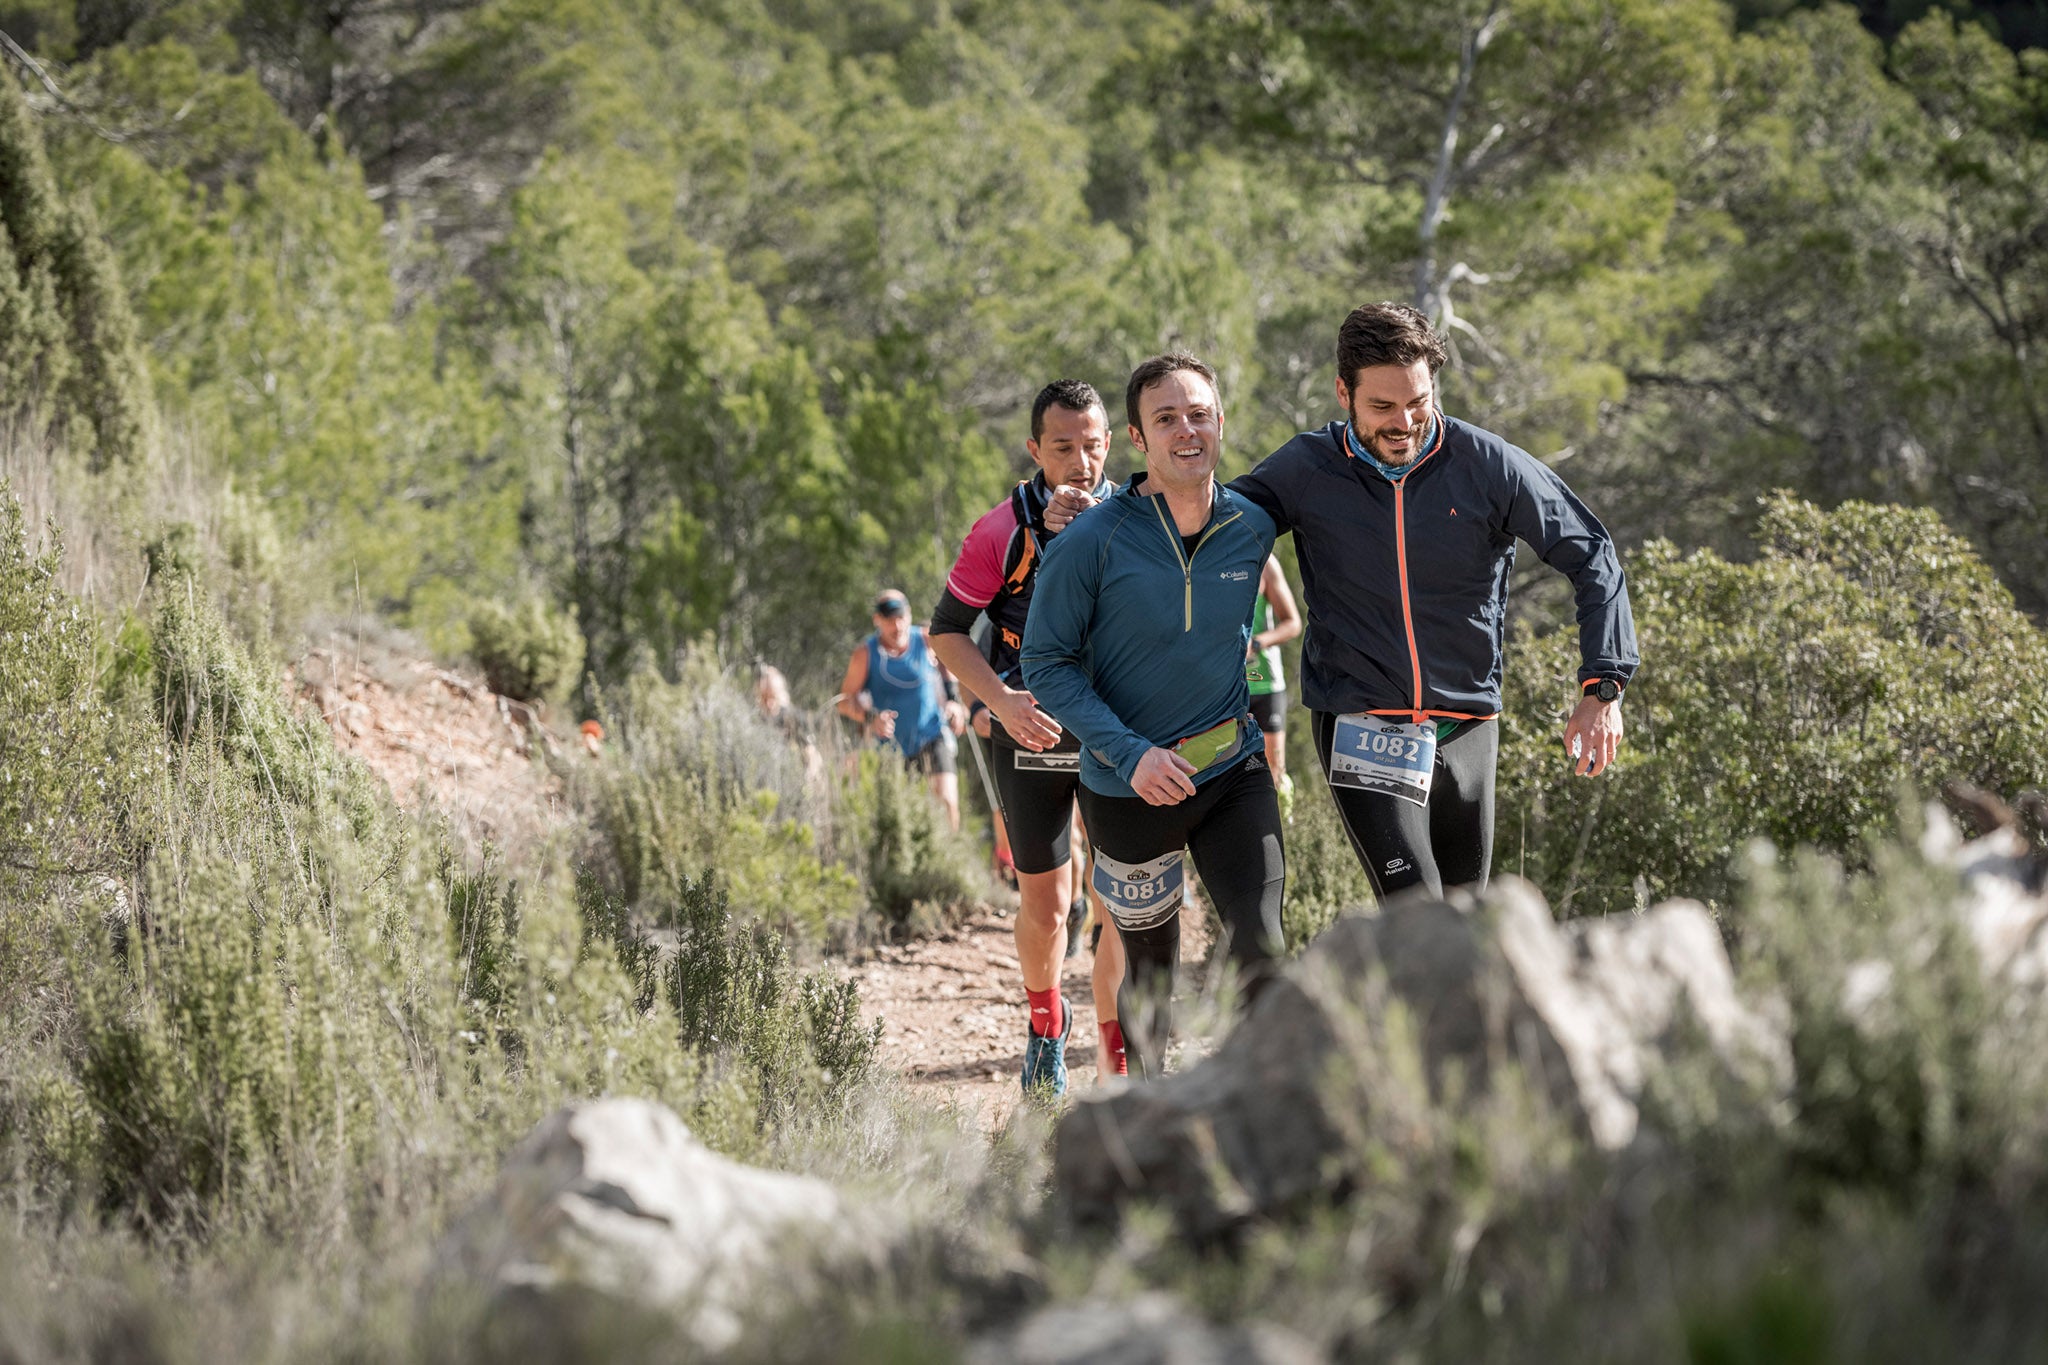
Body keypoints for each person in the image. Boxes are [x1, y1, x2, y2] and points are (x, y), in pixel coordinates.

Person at [1047, 305, 1636, 904]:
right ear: (1343, 393)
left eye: (1418, 401)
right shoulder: (1309, 468)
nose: (1404, 422)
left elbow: (1590, 551)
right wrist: (1104, 511)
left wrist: (1603, 686)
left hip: (1467, 722)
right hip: (1361, 718)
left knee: (1466, 920)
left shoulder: (1486, 465)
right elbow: (1202, 511)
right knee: (1418, 910)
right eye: (1381, 407)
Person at [1021, 353, 1285, 1080]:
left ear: (1220, 423)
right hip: (1129, 790)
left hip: (1232, 772)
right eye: (1165, 418)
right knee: (1150, 978)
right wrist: (1131, 752)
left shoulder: (1253, 523)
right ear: (1137, 437)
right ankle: (1145, 1127)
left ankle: (1263, 1117)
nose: (1186, 429)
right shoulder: (1089, 542)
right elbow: (1046, 664)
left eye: (1198, 413)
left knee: (1261, 941)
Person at [930, 380, 1129, 1093]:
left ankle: (1117, 1050)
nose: (1082, 460)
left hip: (1112, 731)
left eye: (1094, 444)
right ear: (1035, 449)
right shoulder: (1000, 531)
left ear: (1115, 440)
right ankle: (1047, 1025)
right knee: (1045, 908)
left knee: (1118, 901)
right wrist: (1001, 701)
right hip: (1029, 728)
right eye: (1064, 447)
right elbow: (946, 633)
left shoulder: (1138, 515)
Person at [836, 590, 969, 830]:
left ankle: (951, 859)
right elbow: (844, 702)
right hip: (891, 748)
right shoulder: (865, 654)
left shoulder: (927, 639)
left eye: (901, 618)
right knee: (899, 819)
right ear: (877, 620)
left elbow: (950, 665)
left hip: (931, 734)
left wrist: (953, 701)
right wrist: (870, 718)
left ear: (909, 615)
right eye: (889, 620)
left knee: (947, 800)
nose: (897, 626)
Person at [1245, 555, 1302, 804]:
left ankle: (1286, 827)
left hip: (1266, 684)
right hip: (1226, 685)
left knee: (1273, 766)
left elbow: (1293, 623)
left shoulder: (1266, 562)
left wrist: (1257, 643)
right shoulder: (1211, 554)